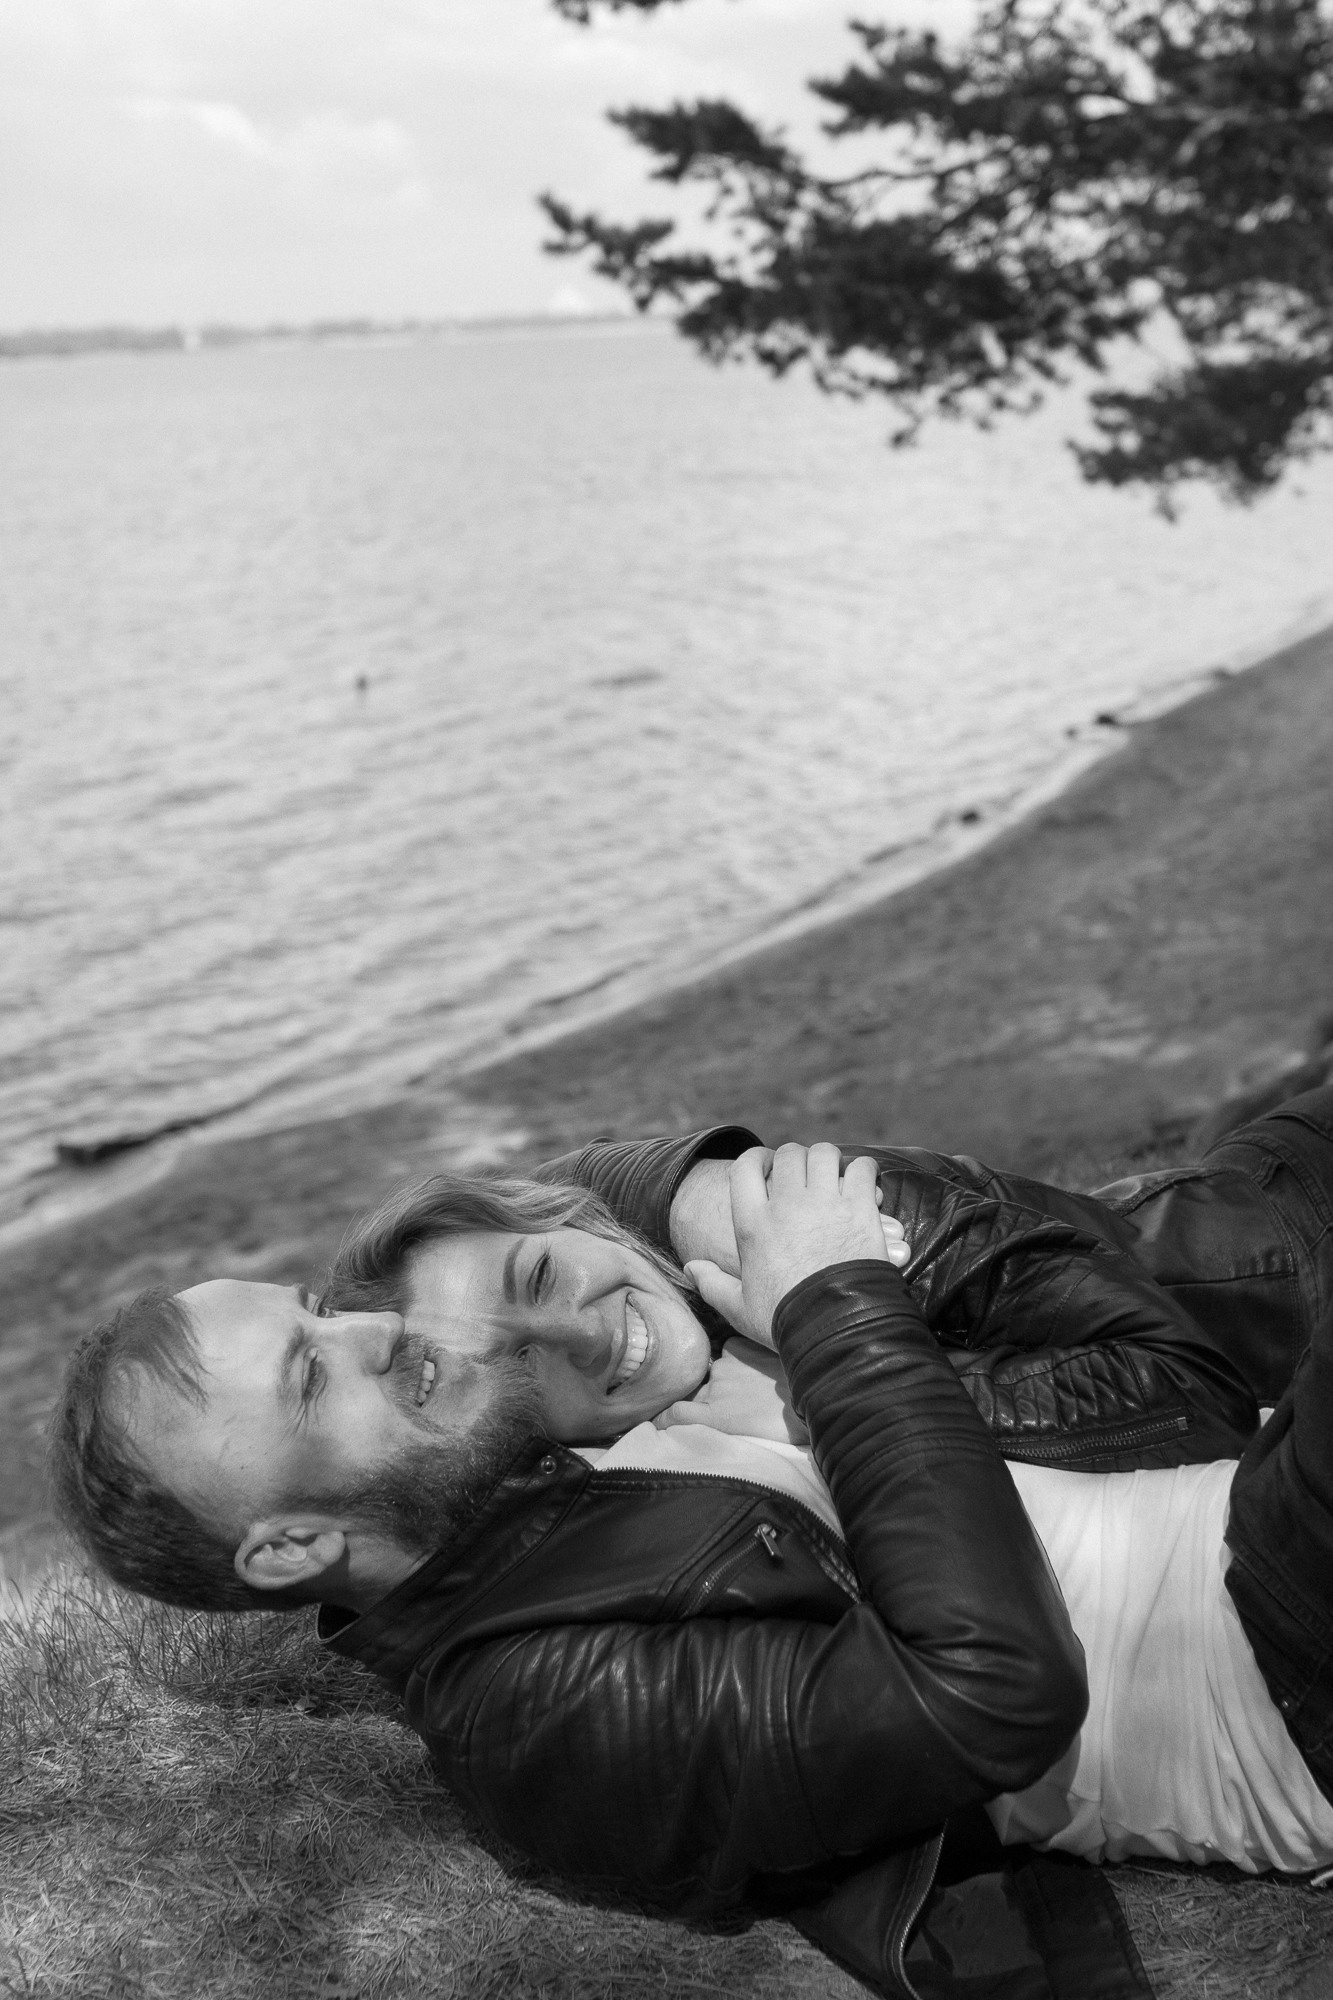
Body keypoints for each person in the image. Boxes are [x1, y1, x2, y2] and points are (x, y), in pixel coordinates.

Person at [49, 1088, 1333, 1999]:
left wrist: (691, 1186)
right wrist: (834, 1306)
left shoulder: (533, 1490)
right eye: (308, 1375)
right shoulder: (536, 1716)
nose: (371, 1335)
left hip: (1251, 1514)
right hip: (1270, 1670)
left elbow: (543, 1241)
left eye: (317, 1313)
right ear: (286, 1549)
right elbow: (997, 1686)